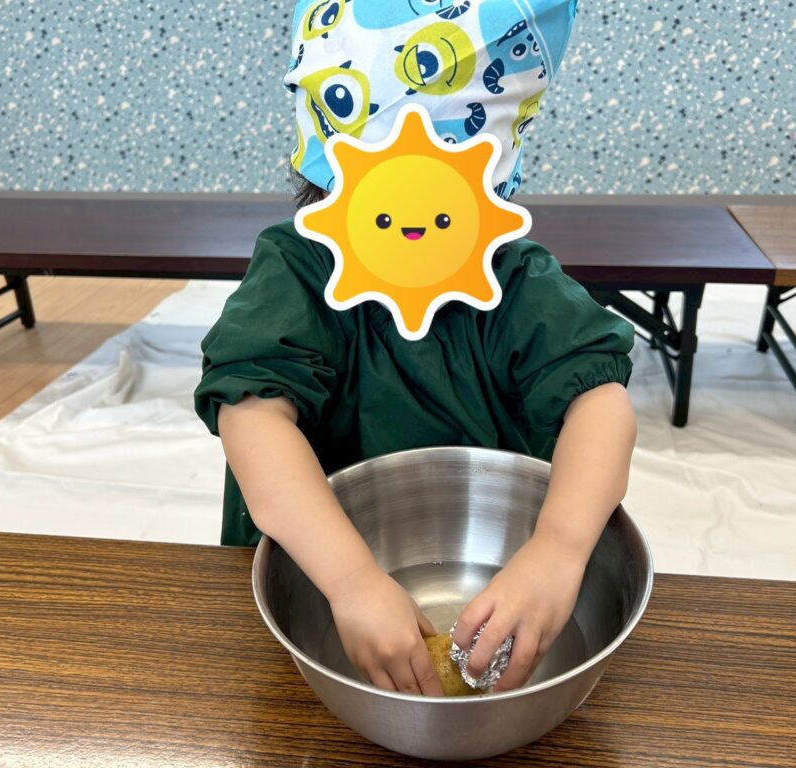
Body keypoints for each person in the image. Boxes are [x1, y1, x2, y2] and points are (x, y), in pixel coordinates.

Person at [194, 0, 636, 697]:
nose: (413, 232)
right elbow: (251, 416)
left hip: (489, 555)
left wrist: (557, 548)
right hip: (313, 564)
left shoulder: (513, 278)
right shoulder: (297, 269)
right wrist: (350, 578)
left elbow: (600, 404)